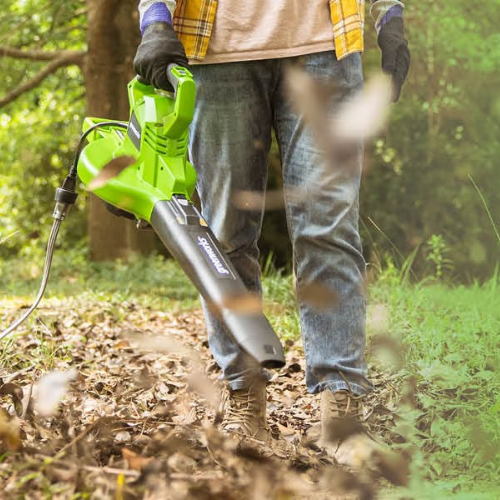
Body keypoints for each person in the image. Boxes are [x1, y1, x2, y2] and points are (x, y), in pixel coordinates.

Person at [134, 0, 410, 461]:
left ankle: (341, 414)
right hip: (218, 52)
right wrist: (155, 16)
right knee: (224, 236)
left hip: (328, 50)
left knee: (331, 227)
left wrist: (389, 13)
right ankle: (245, 400)